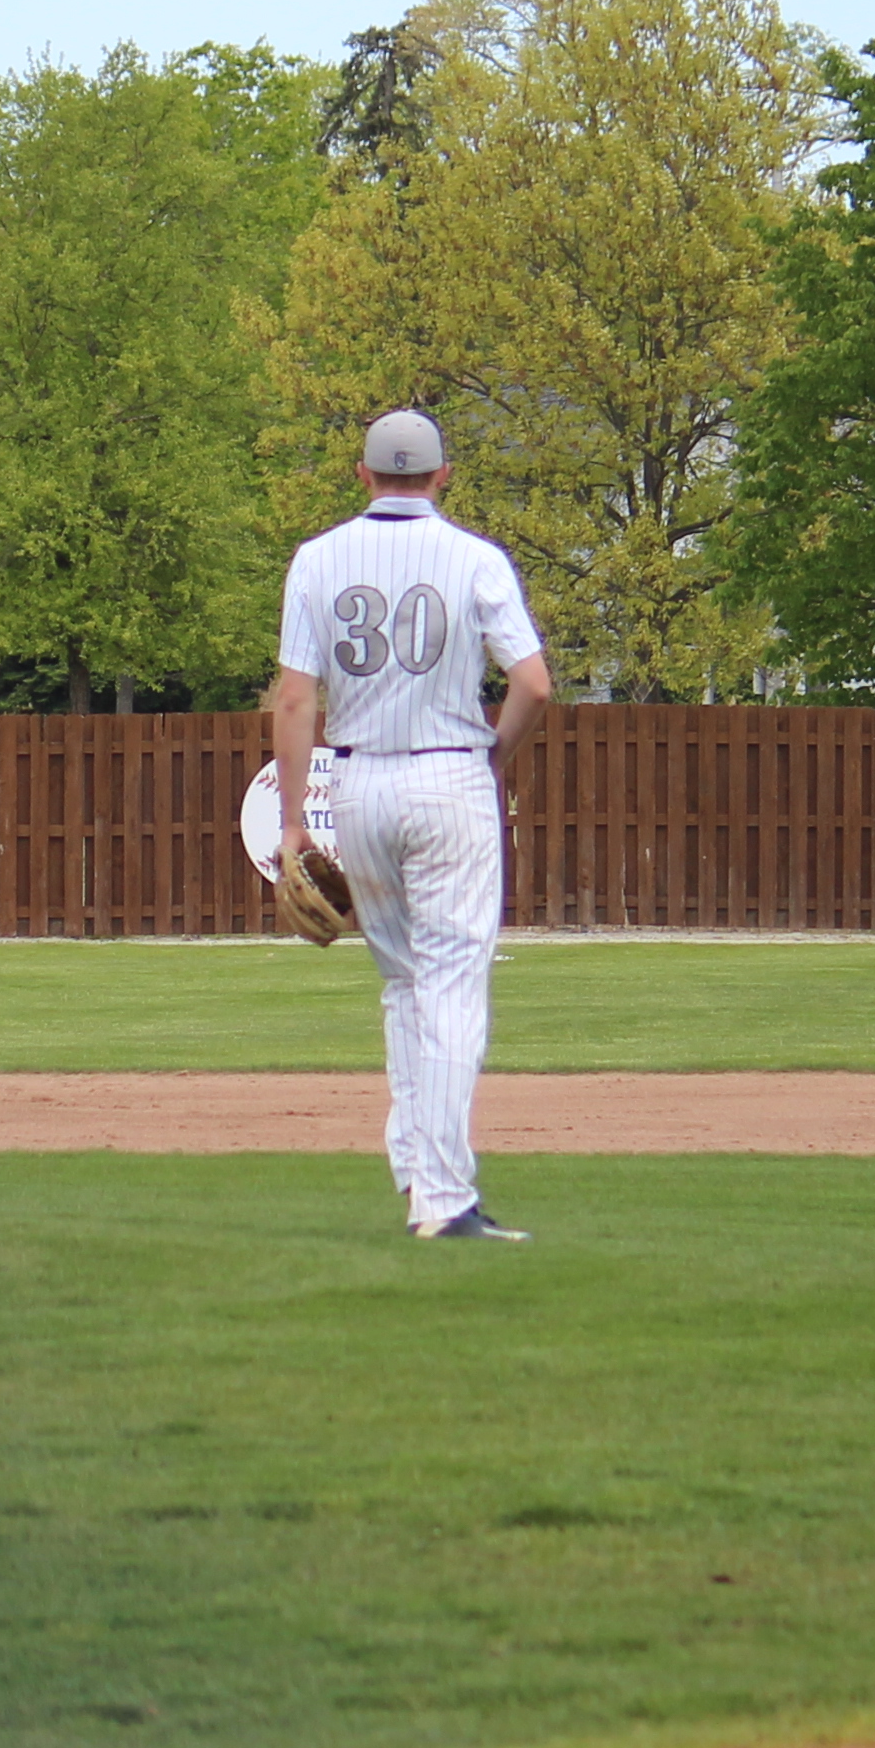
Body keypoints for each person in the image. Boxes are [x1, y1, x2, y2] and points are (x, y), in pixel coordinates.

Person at [268, 407, 553, 1240]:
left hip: (356, 784)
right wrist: (493, 756)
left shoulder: (318, 559)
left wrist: (293, 825)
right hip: (448, 776)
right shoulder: (474, 559)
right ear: (442, 474)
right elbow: (532, 684)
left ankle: (419, 1175)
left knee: (403, 983)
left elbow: (295, 698)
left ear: (363, 475)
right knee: (453, 984)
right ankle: (445, 1199)